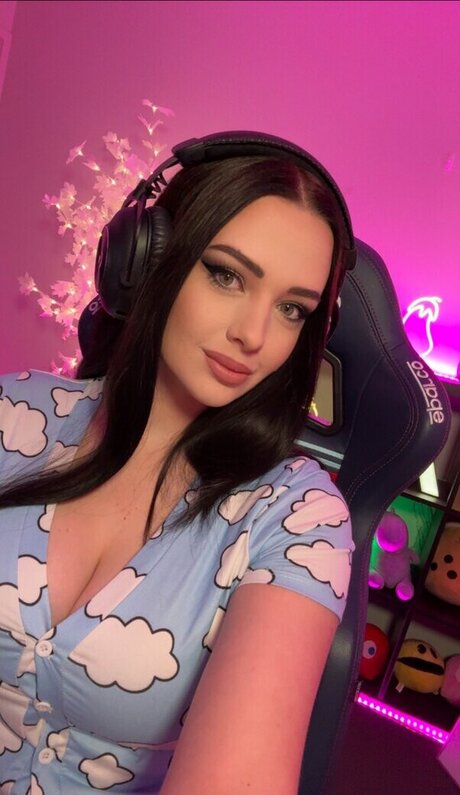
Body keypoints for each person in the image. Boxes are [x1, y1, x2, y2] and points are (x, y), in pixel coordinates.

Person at [0, 131, 355, 794]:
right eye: (226, 274)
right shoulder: (12, 412)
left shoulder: (298, 518)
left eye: (291, 309)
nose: (253, 335)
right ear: (144, 259)